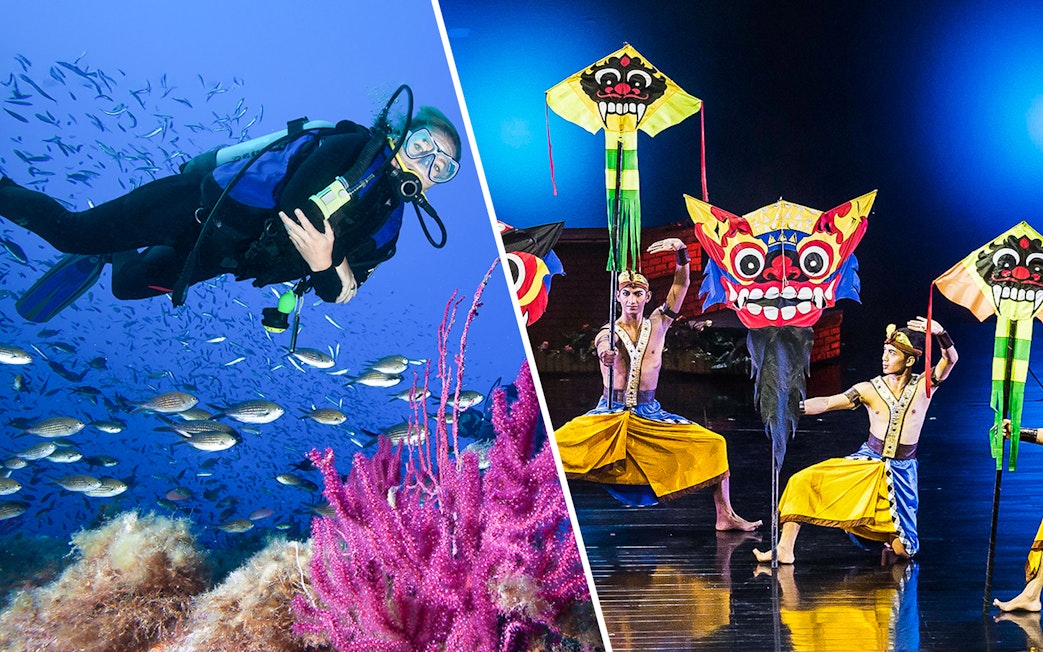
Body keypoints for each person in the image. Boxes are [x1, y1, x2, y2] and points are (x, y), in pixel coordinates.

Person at [0, 105, 461, 305]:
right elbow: (296, 203)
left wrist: (330, 267)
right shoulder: (352, 148)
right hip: (196, 207)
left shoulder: (389, 229)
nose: (427, 164)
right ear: (398, 134)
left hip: (219, 258)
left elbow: (338, 292)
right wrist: (331, 264)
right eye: (422, 145)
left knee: (127, 286)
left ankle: (113, 251)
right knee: (71, 233)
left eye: (442, 166)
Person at [553, 237, 761, 531]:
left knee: (715, 444)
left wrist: (681, 250)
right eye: (627, 293)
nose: (632, 299)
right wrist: (605, 354)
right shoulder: (609, 331)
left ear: (647, 296)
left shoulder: (659, 323)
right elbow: (603, 344)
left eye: (638, 293)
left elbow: (681, 285)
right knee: (553, 449)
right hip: (609, 415)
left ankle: (725, 514)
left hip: (650, 414)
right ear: (618, 297)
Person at [753, 317, 958, 564]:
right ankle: (785, 548)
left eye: (892, 353)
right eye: (884, 351)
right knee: (801, 481)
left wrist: (941, 334)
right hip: (868, 463)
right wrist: (792, 408)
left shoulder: (924, 386)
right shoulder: (869, 389)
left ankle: (884, 534)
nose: (884, 358)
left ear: (910, 360)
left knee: (905, 551)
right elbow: (829, 402)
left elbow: (950, 360)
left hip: (902, 472)